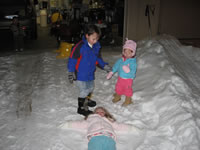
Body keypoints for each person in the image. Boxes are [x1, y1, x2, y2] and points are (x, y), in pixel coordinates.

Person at [67, 24, 112, 116]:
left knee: (90, 88)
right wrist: (71, 71)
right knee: (83, 90)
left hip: (90, 73)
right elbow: (72, 59)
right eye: (93, 39)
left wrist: (104, 66)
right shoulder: (80, 46)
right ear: (87, 35)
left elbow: (98, 59)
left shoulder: (96, 46)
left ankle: (86, 100)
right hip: (80, 74)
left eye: (97, 39)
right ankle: (81, 108)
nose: (95, 41)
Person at [59, 106, 140, 150]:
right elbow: (80, 124)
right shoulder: (91, 119)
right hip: (95, 137)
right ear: (94, 113)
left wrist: (132, 128)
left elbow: (119, 126)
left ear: (105, 113)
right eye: (97, 112)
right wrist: (68, 124)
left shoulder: (109, 120)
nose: (99, 113)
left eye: (101, 112)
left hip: (109, 138)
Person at [107, 39, 137, 106]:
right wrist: (111, 72)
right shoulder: (121, 59)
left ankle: (128, 99)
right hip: (120, 78)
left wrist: (128, 70)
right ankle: (118, 96)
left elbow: (133, 73)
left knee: (127, 89)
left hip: (128, 79)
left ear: (133, 53)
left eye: (129, 53)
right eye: (125, 52)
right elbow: (116, 66)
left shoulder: (133, 62)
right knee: (118, 87)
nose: (127, 54)